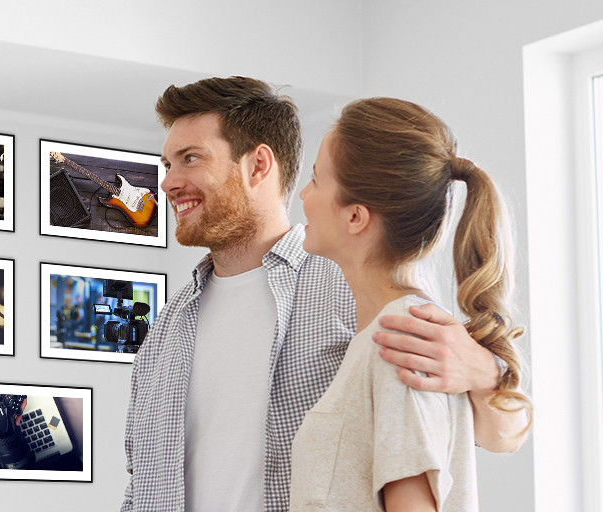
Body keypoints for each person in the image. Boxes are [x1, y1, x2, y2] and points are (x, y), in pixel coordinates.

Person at [121, 77, 530, 512]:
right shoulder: (168, 324)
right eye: (168, 165)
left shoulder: (358, 288)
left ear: (258, 165)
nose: (167, 183)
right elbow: (141, 481)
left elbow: (493, 435)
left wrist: (487, 374)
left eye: (190, 159)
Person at [290, 98, 531, 510]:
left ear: (355, 217)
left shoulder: (403, 337)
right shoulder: (387, 331)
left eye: (315, 179)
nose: (302, 194)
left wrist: (491, 375)